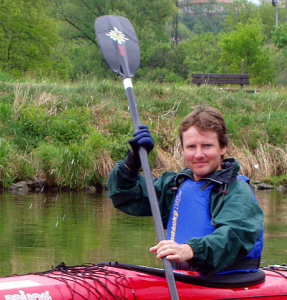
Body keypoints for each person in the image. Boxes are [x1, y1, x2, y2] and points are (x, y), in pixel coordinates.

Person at [107, 106, 264, 276]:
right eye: (191, 147)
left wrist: (190, 250)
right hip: (182, 279)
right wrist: (134, 159)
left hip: (225, 283)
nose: (198, 154)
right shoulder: (176, 186)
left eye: (207, 146)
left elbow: (234, 235)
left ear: (223, 147)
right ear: (182, 149)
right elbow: (124, 194)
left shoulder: (236, 191)